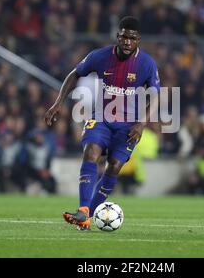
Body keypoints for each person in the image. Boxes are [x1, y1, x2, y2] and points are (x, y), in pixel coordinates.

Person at [44, 16, 160, 230]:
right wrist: (58, 102)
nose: (127, 42)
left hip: (128, 125)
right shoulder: (99, 56)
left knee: (114, 167)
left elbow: (155, 96)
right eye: (124, 37)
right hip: (101, 118)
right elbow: (75, 74)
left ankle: (86, 219)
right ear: (118, 36)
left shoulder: (147, 64)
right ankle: (84, 210)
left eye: (132, 38)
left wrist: (141, 123)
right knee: (91, 153)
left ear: (138, 40)